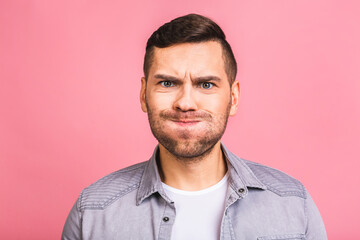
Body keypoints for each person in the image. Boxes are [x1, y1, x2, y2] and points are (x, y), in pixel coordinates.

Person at [62, 13, 327, 240]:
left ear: (233, 98)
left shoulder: (293, 204)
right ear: (143, 95)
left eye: (206, 84)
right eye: (167, 83)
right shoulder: (94, 213)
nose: (186, 103)